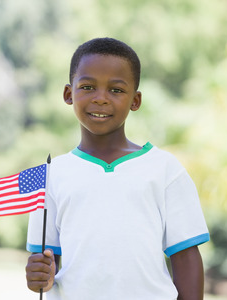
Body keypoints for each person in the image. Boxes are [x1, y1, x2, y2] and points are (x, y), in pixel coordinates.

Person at [25, 37, 210, 299]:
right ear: (69, 94)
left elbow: (186, 257)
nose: (101, 99)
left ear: (135, 100)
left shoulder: (165, 169)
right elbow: (45, 264)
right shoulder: (50, 175)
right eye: (88, 87)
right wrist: (37, 278)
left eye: (116, 90)